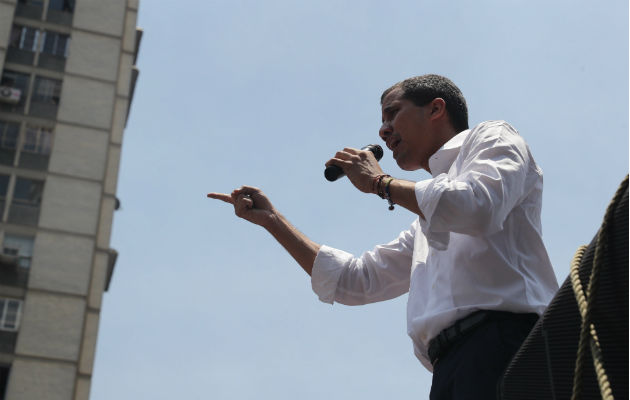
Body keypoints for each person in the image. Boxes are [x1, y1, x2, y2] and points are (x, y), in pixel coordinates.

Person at [207, 74, 559, 399]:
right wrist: (273, 221)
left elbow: (477, 205)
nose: (383, 131)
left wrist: (380, 183)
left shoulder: (494, 136)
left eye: (393, 114)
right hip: (451, 369)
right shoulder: (427, 220)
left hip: (509, 346)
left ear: (436, 108)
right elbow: (356, 280)